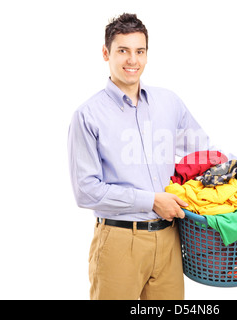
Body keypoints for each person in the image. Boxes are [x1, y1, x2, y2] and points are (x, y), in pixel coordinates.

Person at [67, 13, 224, 300]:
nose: (132, 60)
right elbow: (85, 192)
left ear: (147, 55)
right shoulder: (88, 115)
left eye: (139, 51)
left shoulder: (169, 103)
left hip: (170, 239)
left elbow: (206, 153)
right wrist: (151, 201)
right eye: (122, 51)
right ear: (106, 53)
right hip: (119, 242)